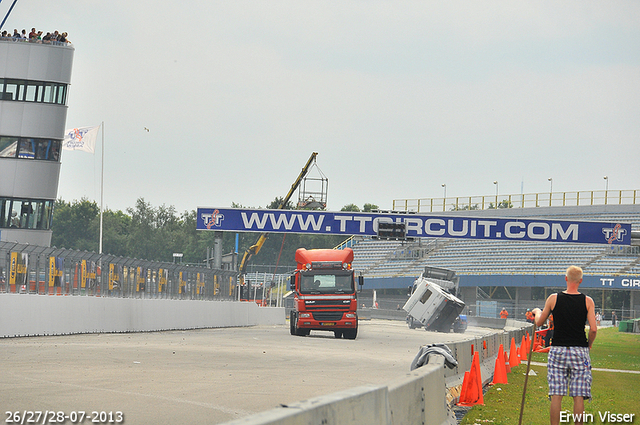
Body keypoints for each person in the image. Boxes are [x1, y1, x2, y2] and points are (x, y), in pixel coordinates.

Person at [533, 266, 597, 425]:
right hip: (579, 350)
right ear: (581, 281)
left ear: (566, 278)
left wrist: (536, 313)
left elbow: (540, 323)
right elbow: (594, 329)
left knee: (556, 394)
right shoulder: (587, 301)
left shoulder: (553, 299)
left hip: (558, 350)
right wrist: (588, 345)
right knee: (579, 395)